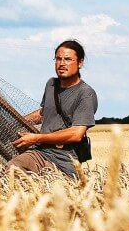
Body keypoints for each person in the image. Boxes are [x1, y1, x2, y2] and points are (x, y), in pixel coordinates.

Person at [8, 39, 97, 178]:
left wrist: (37, 138)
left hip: (65, 161)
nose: (62, 63)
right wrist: (17, 121)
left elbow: (76, 133)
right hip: (41, 153)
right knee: (12, 170)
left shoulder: (85, 93)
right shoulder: (51, 84)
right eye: (58, 59)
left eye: (67, 59)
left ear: (80, 63)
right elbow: (44, 113)